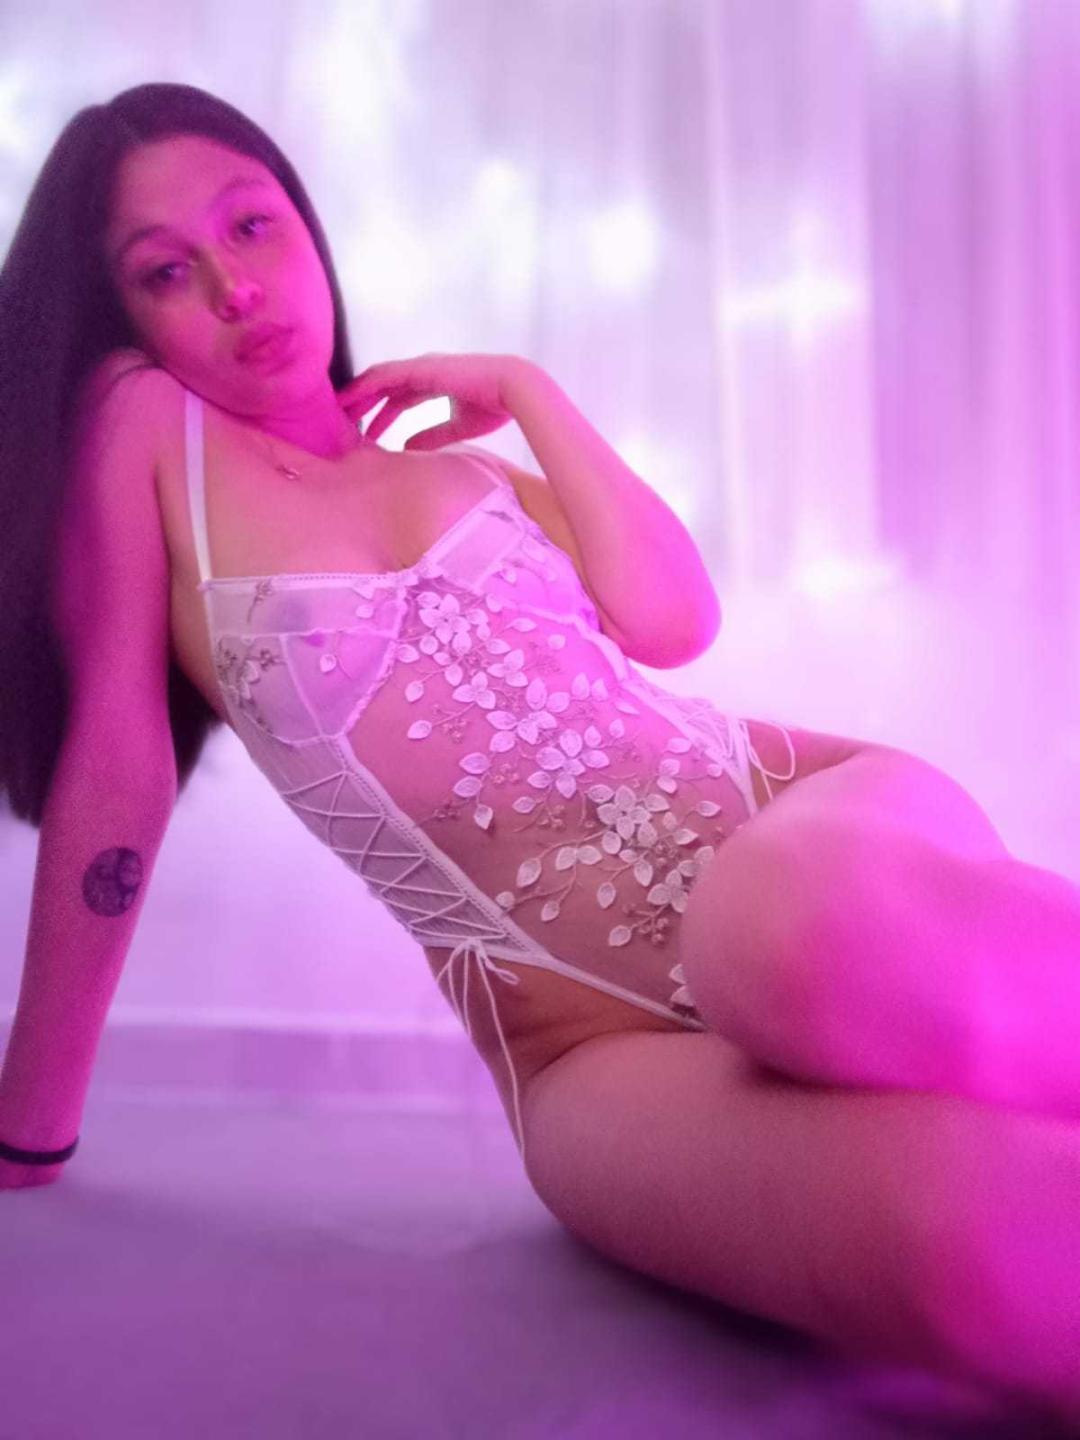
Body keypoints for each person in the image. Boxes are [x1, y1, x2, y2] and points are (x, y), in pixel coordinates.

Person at [1, 82, 1079, 1419]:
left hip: (798, 829)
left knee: (795, 940)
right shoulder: (146, 432)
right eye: (166, 271)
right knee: (975, 1247)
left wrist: (527, 389)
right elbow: (118, 759)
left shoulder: (475, 478)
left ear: (305, 225)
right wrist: (28, 1123)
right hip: (578, 1043)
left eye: (253, 225)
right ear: (123, 318)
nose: (233, 286)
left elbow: (672, 622)